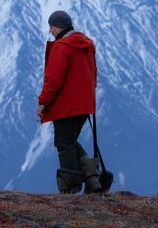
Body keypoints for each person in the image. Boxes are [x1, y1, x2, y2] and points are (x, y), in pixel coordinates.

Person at [37, 10, 103, 194]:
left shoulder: (62, 47)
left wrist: (43, 102)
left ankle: (69, 187)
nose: (50, 31)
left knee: (64, 143)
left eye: (51, 27)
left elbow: (53, 80)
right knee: (68, 140)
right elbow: (93, 73)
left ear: (59, 27)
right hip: (84, 103)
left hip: (67, 104)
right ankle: (92, 180)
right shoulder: (86, 45)